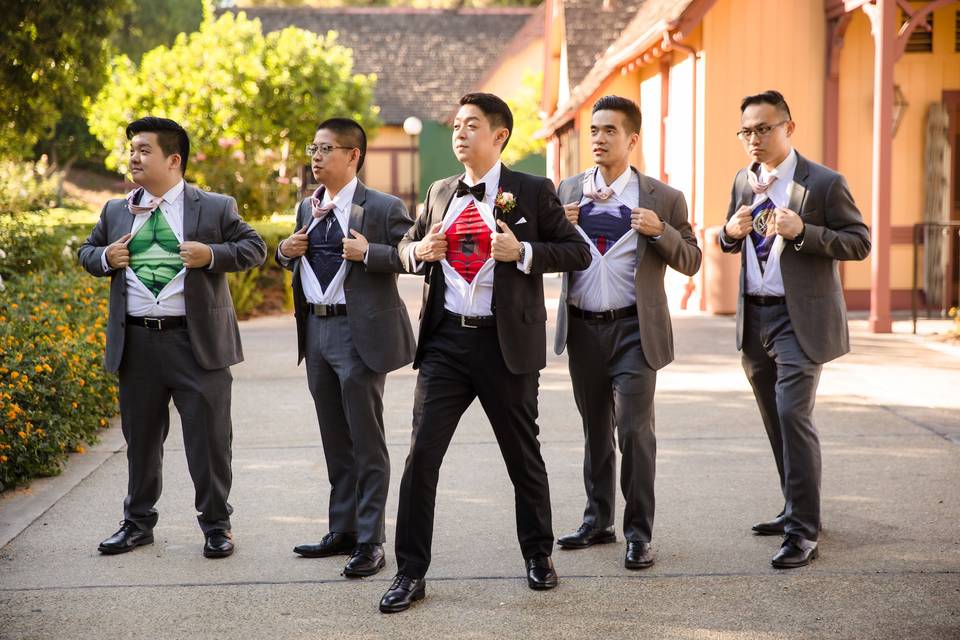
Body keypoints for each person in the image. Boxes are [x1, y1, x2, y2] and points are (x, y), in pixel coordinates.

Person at [378, 92, 591, 613]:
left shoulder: (531, 192)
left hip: (506, 346)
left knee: (522, 456)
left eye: (471, 125)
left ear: (499, 136)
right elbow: (406, 247)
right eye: (455, 125)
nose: (459, 132)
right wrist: (417, 252)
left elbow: (577, 250)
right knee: (421, 458)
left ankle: (538, 555)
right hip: (446, 342)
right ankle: (410, 572)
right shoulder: (439, 190)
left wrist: (525, 253)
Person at [79, 116, 266, 558]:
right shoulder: (116, 210)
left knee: (210, 443)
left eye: (144, 150)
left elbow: (255, 247)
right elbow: (86, 253)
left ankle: (217, 526)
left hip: (196, 345)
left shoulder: (215, 206)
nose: (133, 157)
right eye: (132, 150)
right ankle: (137, 523)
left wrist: (211, 255)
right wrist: (106, 256)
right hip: (138, 345)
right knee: (141, 441)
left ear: (174, 159)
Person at [719, 90, 870, 568]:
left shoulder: (823, 183)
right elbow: (728, 241)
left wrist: (804, 232)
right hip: (755, 317)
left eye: (764, 128)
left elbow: (859, 243)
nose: (754, 139)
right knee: (773, 418)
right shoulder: (744, 181)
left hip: (798, 318)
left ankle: (803, 533)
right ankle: (794, 508)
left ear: (789, 128)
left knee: (792, 415)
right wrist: (729, 233)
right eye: (747, 131)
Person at [554, 96, 701, 570]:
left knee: (634, 432)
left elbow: (693, 259)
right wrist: (560, 228)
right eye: (594, 130)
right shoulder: (567, 191)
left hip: (635, 331)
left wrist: (661, 232)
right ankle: (598, 520)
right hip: (581, 329)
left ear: (632, 139)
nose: (598, 138)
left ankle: (639, 534)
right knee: (595, 429)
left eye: (609, 131)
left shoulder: (663, 197)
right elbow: (547, 251)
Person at [276, 118, 415, 577]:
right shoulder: (306, 208)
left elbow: (416, 256)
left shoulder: (382, 207)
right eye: (312, 148)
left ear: (353, 155)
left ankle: (372, 540)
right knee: (335, 438)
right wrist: (284, 252)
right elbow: (294, 257)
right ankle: (344, 530)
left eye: (326, 149)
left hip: (359, 335)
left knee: (366, 440)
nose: (315, 157)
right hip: (316, 332)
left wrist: (370, 253)